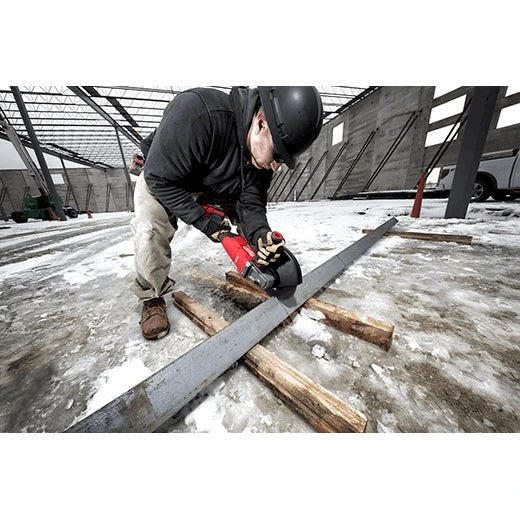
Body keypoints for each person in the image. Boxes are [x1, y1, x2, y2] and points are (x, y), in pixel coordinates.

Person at [131, 86, 324, 339]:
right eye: (278, 154)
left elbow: (250, 204)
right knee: (150, 227)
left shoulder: (261, 158)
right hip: (165, 174)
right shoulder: (198, 112)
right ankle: (151, 296)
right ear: (261, 122)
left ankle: (259, 260)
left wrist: (260, 234)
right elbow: (160, 179)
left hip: (212, 182)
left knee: (252, 226)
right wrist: (205, 221)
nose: (276, 167)